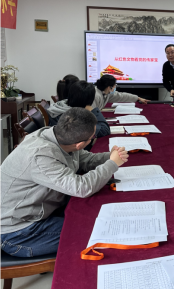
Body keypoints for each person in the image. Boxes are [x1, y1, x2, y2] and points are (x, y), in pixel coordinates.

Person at [0, 108, 129, 258]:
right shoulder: (41, 156)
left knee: (97, 215)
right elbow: (82, 187)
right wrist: (112, 164)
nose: (93, 138)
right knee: (100, 231)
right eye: (92, 137)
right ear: (79, 144)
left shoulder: (57, 136)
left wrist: (110, 156)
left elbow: (86, 159)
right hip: (19, 232)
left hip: (41, 213)